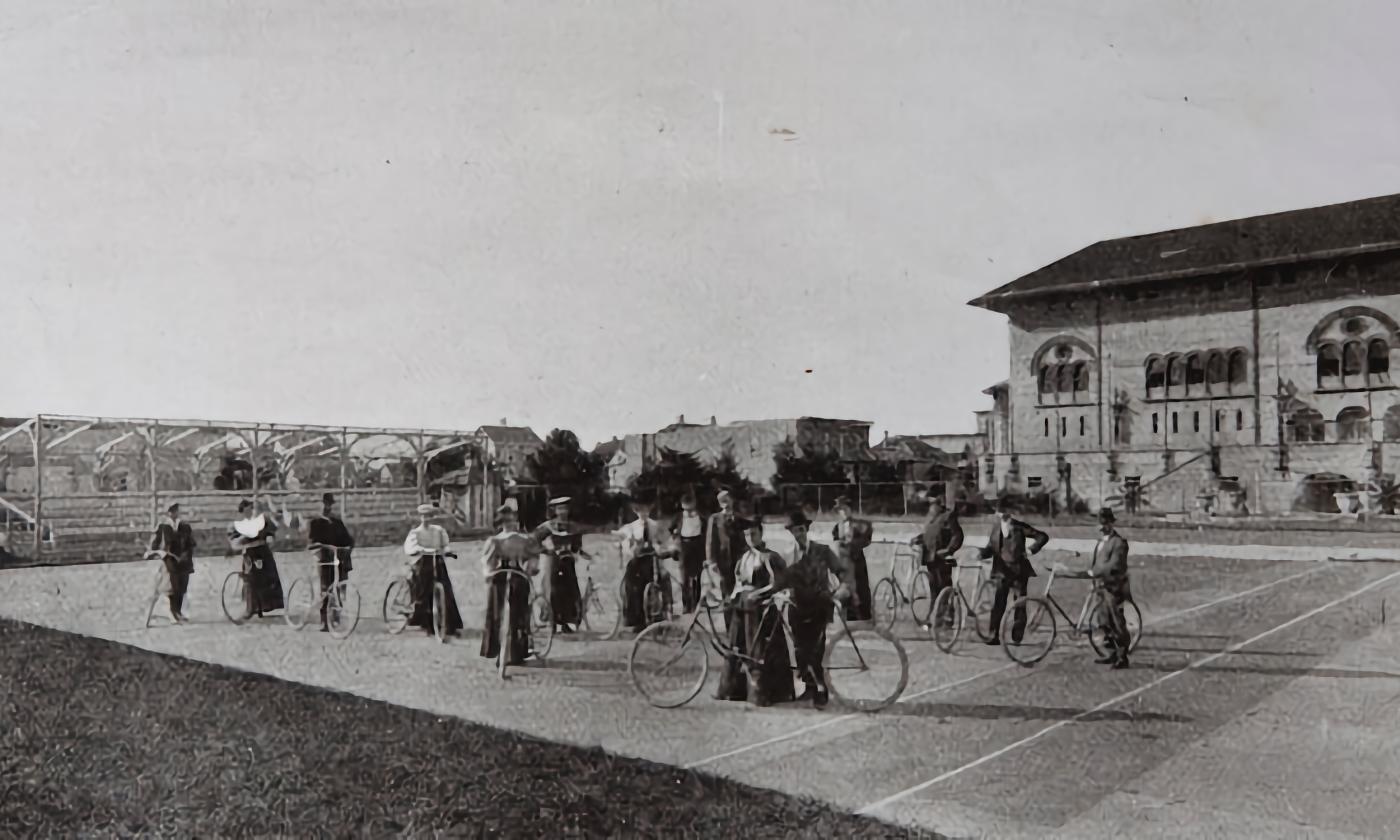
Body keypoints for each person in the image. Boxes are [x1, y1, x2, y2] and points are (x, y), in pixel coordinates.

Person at [773, 509, 851, 709]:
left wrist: (843, 589)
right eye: (793, 531)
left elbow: (841, 572)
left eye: (800, 530)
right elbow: (779, 582)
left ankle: (821, 688)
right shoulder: (786, 555)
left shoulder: (822, 551)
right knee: (799, 648)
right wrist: (778, 593)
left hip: (819, 604)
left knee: (816, 648)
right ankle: (809, 685)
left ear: (806, 529)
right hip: (796, 606)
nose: (797, 534)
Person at [716, 518, 796, 706]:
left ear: (761, 534)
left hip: (761, 610)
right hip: (743, 608)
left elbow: (777, 583)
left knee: (759, 649)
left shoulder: (770, 557)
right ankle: (731, 689)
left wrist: (758, 594)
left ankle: (764, 693)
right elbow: (738, 581)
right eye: (746, 535)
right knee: (736, 645)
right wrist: (733, 597)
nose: (750, 538)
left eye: (753, 534)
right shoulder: (745, 557)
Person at [978, 498, 1049, 647]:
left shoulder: (1019, 527)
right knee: (998, 603)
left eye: (1005, 512)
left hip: (1019, 571)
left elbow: (1042, 536)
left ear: (1010, 513)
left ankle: (1017, 635)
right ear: (997, 513)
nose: (1003, 514)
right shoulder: (996, 528)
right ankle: (993, 635)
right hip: (1001, 571)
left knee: (1019, 604)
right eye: (1000, 512)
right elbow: (992, 547)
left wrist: (1031, 549)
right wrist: (982, 553)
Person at [480, 503, 543, 664]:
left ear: (516, 520)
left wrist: (532, 566)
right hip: (499, 576)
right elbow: (488, 561)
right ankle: (497, 649)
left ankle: (518, 649)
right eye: (505, 521)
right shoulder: (495, 541)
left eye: (511, 520)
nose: (509, 524)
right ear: (501, 524)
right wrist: (488, 572)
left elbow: (533, 557)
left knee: (519, 613)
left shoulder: (524, 540)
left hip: (518, 574)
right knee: (496, 612)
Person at [403, 503, 464, 637]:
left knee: (446, 589)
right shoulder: (416, 533)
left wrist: (447, 551)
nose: (426, 519)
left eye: (429, 516)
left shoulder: (438, 530)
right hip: (422, 563)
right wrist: (420, 549)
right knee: (424, 591)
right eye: (424, 516)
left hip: (437, 561)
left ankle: (449, 625)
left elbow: (445, 544)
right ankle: (426, 623)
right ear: (420, 517)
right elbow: (410, 547)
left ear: (433, 517)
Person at [614, 492, 672, 632]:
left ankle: (660, 616)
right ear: (636, 511)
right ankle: (636, 620)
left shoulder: (655, 525)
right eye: (640, 511)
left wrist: (661, 548)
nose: (644, 513)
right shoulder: (631, 527)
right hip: (637, 560)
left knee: (662, 581)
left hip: (652, 559)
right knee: (633, 586)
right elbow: (622, 540)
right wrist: (630, 546)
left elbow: (662, 541)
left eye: (646, 510)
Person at [534, 496, 586, 633]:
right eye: (560, 509)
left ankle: (566, 623)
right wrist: (546, 550)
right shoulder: (547, 527)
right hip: (553, 562)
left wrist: (580, 553)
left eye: (565, 508)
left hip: (568, 562)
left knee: (569, 591)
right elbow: (534, 542)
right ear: (555, 510)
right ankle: (552, 622)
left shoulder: (573, 527)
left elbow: (576, 546)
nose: (563, 512)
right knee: (553, 591)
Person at [1089, 507, 1132, 669]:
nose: (1100, 526)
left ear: (1110, 524)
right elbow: (1096, 562)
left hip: (1114, 587)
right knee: (1103, 622)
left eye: (1103, 523)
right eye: (1099, 523)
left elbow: (1114, 565)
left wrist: (1094, 572)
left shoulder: (1119, 543)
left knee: (1117, 622)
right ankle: (1111, 653)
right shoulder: (1100, 542)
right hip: (1100, 586)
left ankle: (1122, 657)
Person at [911, 494, 964, 624]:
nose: (931, 505)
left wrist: (949, 550)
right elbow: (929, 534)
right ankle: (934, 616)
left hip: (942, 558)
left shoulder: (948, 516)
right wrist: (918, 539)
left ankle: (946, 616)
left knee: (943, 587)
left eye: (933, 503)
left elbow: (957, 535)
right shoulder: (930, 517)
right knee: (933, 588)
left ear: (939, 504)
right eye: (931, 503)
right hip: (930, 557)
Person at [228, 499, 285, 619]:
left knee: (268, 578)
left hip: (263, 551)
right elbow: (234, 543)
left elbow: (272, 531)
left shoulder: (262, 521)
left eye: (252, 509)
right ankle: (250, 609)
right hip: (250, 553)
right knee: (251, 580)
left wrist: (270, 537)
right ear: (242, 511)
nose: (251, 512)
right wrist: (244, 536)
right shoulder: (237, 525)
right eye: (248, 509)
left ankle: (266, 606)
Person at [307, 493, 355, 633]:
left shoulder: (337, 523)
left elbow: (348, 540)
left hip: (338, 558)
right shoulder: (315, 523)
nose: (326, 507)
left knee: (339, 587)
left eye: (328, 504)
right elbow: (311, 543)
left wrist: (347, 548)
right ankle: (324, 620)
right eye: (323, 504)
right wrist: (323, 547)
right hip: (324, 558)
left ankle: (336, 615)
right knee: (326, 588)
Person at [149, 502, 197, 623]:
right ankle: (173, 612)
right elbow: (155, 544)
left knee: (182, 586)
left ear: (177, 511)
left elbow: (191, 543)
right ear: (167, 513)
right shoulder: (163, 527)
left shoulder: (184, 526)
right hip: (170, 561)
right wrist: (159, 552)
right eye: (170, 511)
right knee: (172, 587)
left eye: (174, 510)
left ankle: (179, 612)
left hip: (184, 560)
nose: (172, 513)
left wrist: (185, 555)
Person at [832, 498, 874, 622]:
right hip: (844, 560)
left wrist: (853, 545)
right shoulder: (837, 527)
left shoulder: (861, 524)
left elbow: (867, 539)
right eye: (841, 510)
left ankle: (864, 615)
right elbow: (836, 542)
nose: (843, 512)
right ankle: (849, 615)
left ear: (850, 510)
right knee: (846, 586)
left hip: (857, 559)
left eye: (845, 509)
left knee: (861, 587)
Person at [704, 489, 749, 600]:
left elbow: (746, 538)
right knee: (724, 583)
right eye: (722, 500)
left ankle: (736, 606)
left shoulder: (740, 518)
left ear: (732, 501)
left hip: (738, 556)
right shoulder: (714, 519)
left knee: (739, 583)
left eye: (727, 500)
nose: (726, 503)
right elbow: (710, 540)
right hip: (722, 556)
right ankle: (727, 606)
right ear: (719, 503)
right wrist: (711, 560)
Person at [669, 494, 707, 613]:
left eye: (691, 507)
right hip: (684, 546)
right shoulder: (679, 517)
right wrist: (675, 537)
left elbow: (706, 530)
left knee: (697, 577)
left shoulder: (701, 517)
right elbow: (671, 528)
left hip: (697, 547)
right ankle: (686, 604)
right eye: (686, 508)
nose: (689, 511)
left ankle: (696, 603)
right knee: (684, 577)